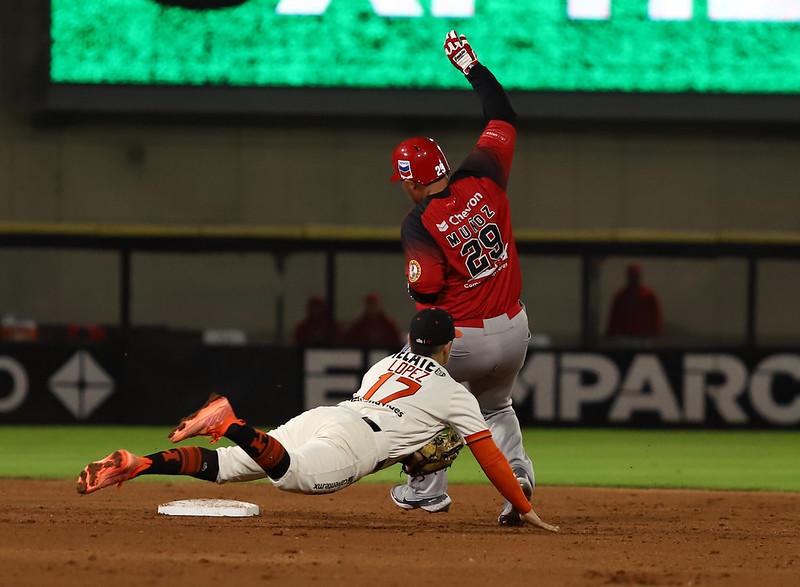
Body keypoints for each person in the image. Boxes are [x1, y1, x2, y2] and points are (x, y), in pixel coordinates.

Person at [76, 309, 558, 533]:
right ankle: (228, 422)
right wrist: (523, 505)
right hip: (354, 443)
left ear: (411, 340)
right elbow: (491, 454)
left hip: (329, 417)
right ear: (449, 345)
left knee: (227, 467)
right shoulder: (454, 392)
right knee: (291, 477)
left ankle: (137, 464)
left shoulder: (385, 364)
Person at [389, 30, 534, 526]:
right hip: (514, 329)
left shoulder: (419, 221)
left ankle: (426, 491)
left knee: (424, 402)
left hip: (462, 338)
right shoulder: (483, 174)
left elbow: (426, 291)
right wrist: (471, 65)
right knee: (496, 406)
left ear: (410, 180)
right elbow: (503, 116)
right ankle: (519, 480)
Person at [606, 263, 663, 345]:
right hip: (625, 336)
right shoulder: (621, 295)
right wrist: (611, 332)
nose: (634, 278)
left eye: (635, 276)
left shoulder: (648, 294)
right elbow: (614, 315)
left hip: (643, 336)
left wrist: (656, 331)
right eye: (632, 276)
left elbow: (655, 314)